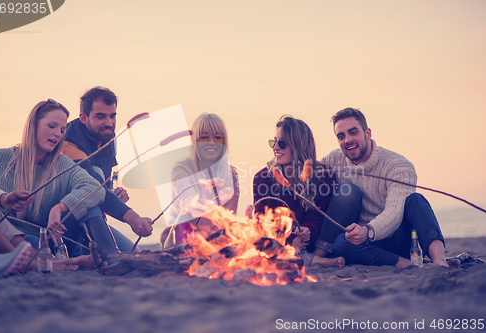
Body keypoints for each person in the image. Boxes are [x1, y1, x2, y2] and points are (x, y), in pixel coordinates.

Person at [0, 98, 120, 266]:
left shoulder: (62, 164)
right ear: (33, 126)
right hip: (14, 240)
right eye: (52, 126)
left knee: (89, 204)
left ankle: (112, 258)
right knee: (32, 244)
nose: (58, 134)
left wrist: (59, 207)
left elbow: (96, 188)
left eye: (63, 130)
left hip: (56, 241)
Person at [314, 107, 454, 267]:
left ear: (367, 133)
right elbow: (308, 175)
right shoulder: (334, 160)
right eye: (341, 136)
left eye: (353, 132)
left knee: (416, 200)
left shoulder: (398, 165)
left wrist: (367, 230)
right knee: (340, 243)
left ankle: (439, 261)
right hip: (369, 245)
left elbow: (395, 211)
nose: (347, 140)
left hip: (398, 236)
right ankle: (407, 264)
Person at [62, 87, 152, 251]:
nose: (109, 123)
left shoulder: (107, 137)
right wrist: (133, 218)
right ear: (83, 117)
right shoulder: (68, 143)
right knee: (94, 174)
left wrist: (113, 193)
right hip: (66, 223)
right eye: (100, 116)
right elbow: (93, 189)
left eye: (112, 116)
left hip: (97, 221)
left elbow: (103, 188)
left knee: (134, 254)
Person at [252, 115, 345, 268]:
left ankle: (313, 256)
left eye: (281, 143)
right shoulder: (262, 179)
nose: (275, 148)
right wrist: (290, 240)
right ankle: (312, 260)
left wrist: (307, 231)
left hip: (316, 242)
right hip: (280, 242)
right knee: (257, 241)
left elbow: (319, 216)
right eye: (273, 142)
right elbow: (264, 224)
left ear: (299, 146)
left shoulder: (324, 176)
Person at [163, 113, 239, 246]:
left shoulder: (231, 175)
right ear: (194, 141)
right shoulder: (181, 170)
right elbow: (189, 204)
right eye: (204, 137)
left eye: (217, 137)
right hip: (180, 241)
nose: (211, 142)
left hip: (215, 243)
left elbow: (228, 221)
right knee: (186, 214)